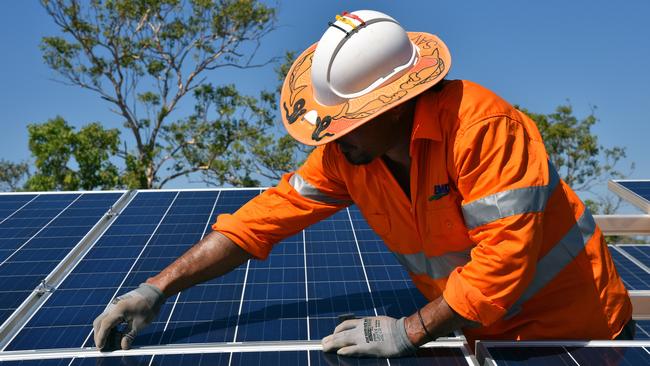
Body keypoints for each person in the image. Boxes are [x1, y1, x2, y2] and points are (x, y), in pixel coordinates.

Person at [93, 10, 633, 357]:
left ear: (397, 105)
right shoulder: (348, 157)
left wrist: (409, 330)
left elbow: (500, 268)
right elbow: (259, 221)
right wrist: (157, 288)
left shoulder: (483, 131)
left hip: (576, 337)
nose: (332, 137)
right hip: (479, 335)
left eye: (346, 121)